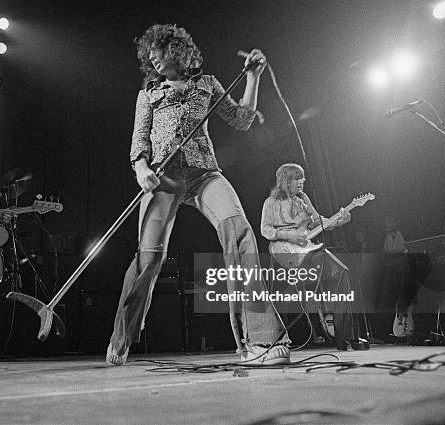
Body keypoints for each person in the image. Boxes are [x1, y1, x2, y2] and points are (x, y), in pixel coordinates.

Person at [107, 24, 290, 366]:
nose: (152, 58)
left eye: (158, 52)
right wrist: (141, 169)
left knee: (240, 233)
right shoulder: (147, 94)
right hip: (163, 178)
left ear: (179, 51)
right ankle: (123, 337)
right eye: (150, 55)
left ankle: (261, 339)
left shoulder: (208, 84)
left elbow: (241, 119)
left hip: (205, 174)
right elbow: (139, 140)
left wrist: (253, 78)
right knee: (149, 260)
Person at [260, 163, 369, 350]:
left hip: (309, 250)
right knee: (277, 296)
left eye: (302, 177)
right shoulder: (271, 202)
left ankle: (346, 337)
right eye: (296, 178)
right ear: (285, 180)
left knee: (341, 273)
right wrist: (289, 235)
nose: (301, 181)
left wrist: (340, 220)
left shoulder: (303, 198)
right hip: (284, 252)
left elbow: (319, 222)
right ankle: (276, 340)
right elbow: (265, 229)